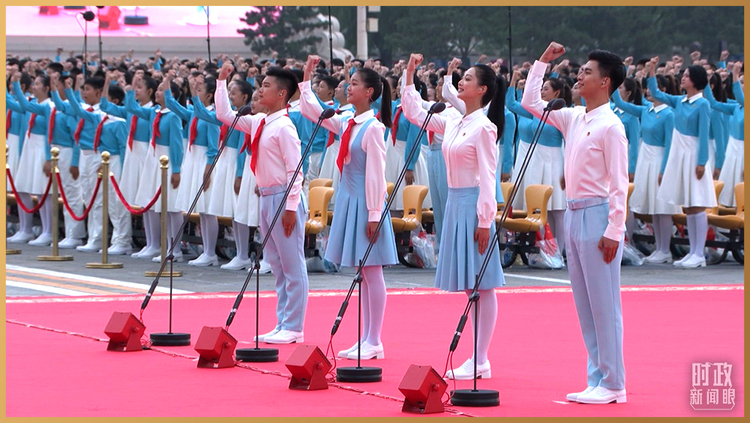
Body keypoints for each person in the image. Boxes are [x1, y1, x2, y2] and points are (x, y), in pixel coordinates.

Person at [522, 42, 628, 404]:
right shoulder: (574, 116)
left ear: (606, 82)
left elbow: (619, 185)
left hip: (598, 215)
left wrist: (615, 230)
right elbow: (530, 103)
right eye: (581, 69)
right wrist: (541, 64)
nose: (580, 75)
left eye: (588, 71)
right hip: (573, 213)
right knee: (585, 305)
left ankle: (614, 383)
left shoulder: (611, 126)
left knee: (604, 303)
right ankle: (597, 377)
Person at [403, 53, 506, 380]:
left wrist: (485, 220)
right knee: (469, 285)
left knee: (482, 284)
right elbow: (414, 111)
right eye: (462, 77)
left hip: (474, 204)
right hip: (455, 202)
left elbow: (489, 177)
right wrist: (409, 75)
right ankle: (478, 355)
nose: (461, 81)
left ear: (482, 90)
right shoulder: (451, 118)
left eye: (468, 79)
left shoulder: (484, 128)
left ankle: (481, 357)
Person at [298, 55, 398, 359]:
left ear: (369, 92)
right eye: (348, 82)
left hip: (365, 203)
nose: (347, 87)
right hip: (348, 199)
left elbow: (376, 176)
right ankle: (366, 337)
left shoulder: (371, 128)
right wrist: (305, 79)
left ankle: (374, 339)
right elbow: (313, 110)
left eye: (354, 83)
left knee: (372, 271)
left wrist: (373, 214)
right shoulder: (347, 121)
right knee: (361, 272)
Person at [215, 62, 309, 345]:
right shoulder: (259, 121)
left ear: (282, 94)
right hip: (267, 196)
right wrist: (221, 81)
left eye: (266, 86)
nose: (260, 90)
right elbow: (224, 114)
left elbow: (296, 171)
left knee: (292, 264)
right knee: (277, 265)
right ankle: (283, 322)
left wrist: (291, 207)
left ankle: (294, 325)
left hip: (284, 198)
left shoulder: (285, 128)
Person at [648, 57, 716, 268]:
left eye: (687, 76)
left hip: (693, 154)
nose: (683, 78)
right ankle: (692, 251)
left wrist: (702, 161)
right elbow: (657, 94)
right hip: (680, 155)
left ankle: (699, 253)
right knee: (688, 206)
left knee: (697, 204)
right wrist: (651, 71)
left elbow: (703, 134)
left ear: (695, 80)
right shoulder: (680, 101)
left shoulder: (702, 103)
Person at [611, 72, 681, 264]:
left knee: (663, 207)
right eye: (648, 88)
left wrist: (664, 169)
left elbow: (670, 144)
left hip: (659, 159)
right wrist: (616, 81)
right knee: (653, 208)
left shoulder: (668, 114)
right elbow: (622, 104)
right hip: (646, 159)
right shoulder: (646, 110)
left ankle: (665, 248)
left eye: (654, 87)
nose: (649, 92)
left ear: (663, 90)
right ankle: (659, 247)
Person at [102, 72, 158, 256]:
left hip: (145, 156)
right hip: (132, 157)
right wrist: (106, 83)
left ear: (150, 91)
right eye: (136, 88)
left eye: (140, 88)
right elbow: (104, 105)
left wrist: (131, 86)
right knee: (126, 199)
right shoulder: (131, 109)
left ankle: (154, 243)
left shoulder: (152, 111)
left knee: (149, 201)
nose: (136, 91)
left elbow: (132, 107)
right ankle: (126, 240)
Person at [705, 61, 744, 207]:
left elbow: (740, 97)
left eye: (744, 82)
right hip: (733, 152)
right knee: (729, 194)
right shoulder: (736, 107)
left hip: (743, 153)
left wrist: (734, 75)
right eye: (740, 82)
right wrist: (707, 85)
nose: (741, 85)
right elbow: (714, 104)